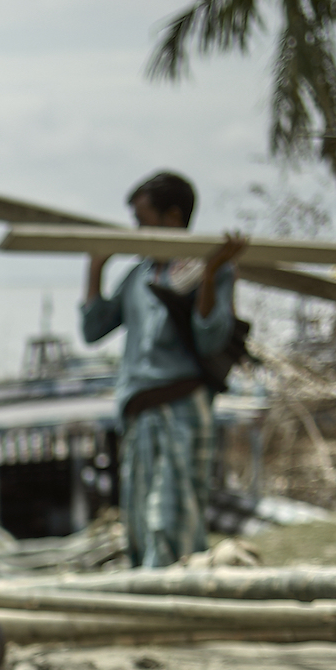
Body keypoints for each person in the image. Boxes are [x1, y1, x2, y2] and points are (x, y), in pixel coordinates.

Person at [81, 170, 247, 568]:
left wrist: (209, 274)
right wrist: (95, 268)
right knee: (139, 514)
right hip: (138, 411)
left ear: (173, 217)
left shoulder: (207, 270)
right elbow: (93, 328)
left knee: (171, 515)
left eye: (143, 221)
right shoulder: (138, 276)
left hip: (182, 405)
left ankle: (177, 592)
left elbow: (210, 337)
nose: (137, 231)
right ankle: (150, 589)